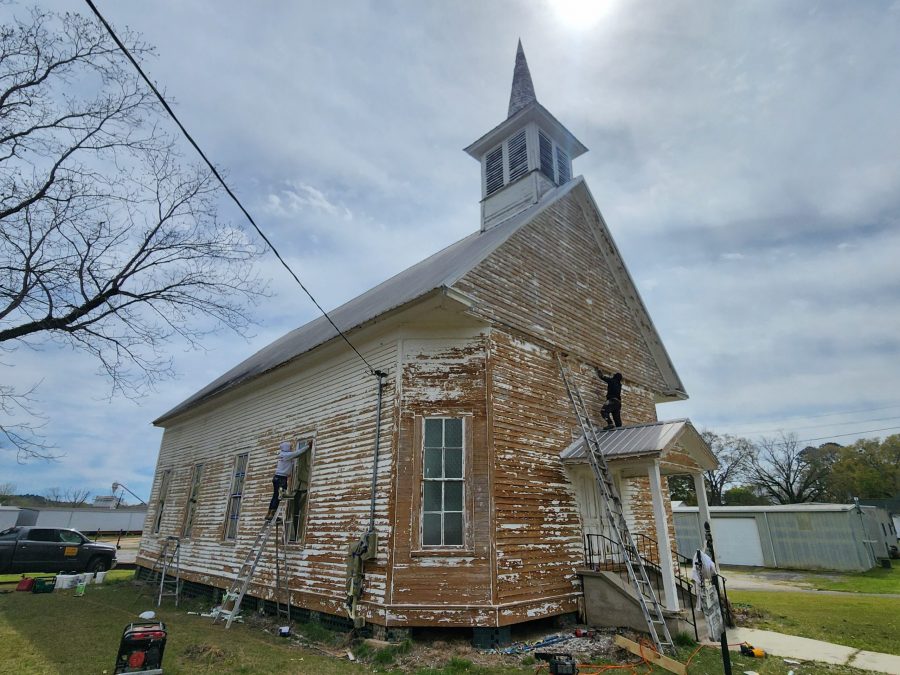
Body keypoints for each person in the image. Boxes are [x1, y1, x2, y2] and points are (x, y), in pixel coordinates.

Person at [266, 439, 313, 521]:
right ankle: (272, 514)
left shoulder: (282, 455)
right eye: (290, 447)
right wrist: (308, 446)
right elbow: (297, 453)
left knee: (275, 496)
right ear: (286, 448)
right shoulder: (286, 455)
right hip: (281, 479)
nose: (291, 448)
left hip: (277, 478)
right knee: (278, 497)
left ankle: (269, 513)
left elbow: (292, 459)